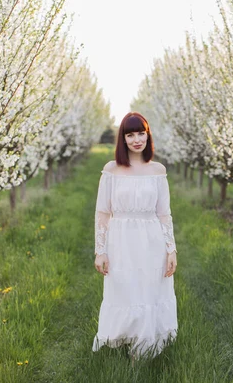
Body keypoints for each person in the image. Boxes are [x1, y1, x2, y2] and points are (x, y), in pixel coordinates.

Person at [92, 112, 178, 359]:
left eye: (141, 133)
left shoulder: (157, 170)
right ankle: (124, 340)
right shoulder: (112, 169)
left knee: (149, 290)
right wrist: (101, 250)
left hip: (151, 239)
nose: (137, 139)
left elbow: (164, 214)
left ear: (147, 134)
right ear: (123, 139)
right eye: (130, 134)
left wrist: (171, 249)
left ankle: (144, 348)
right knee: (125, 289)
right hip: (121, 240)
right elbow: (102, 212)